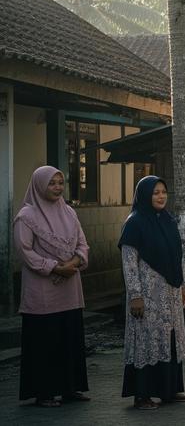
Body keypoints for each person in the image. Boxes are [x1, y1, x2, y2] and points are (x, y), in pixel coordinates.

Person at [14, 165, 90, 407]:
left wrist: (72, 263)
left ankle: (70, 388)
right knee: (45, 342)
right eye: (52, 183)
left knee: (70, 338)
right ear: (39, 185)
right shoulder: (26, 216)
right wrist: (56, 268)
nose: (57, 188)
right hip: (42, 292)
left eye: (60, 183)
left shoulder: (69, 212)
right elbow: (25, 252)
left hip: (69, 289)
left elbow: (82, 244)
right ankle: (43, 392)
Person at [119, 175, 185, 410]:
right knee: (147, 341)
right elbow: (129, 262)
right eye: (155, 193)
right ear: (144, 195)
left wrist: (183, 285)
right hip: (148, 296)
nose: (161, 196)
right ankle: (142, 395)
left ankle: (171, 390)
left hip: (170, 293)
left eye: (163, 192)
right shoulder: (134, 223)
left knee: (170, 340)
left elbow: (178, 256)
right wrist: (135, 295)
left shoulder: (169, 220)